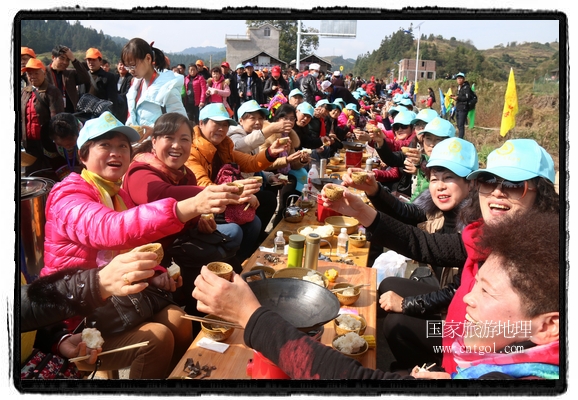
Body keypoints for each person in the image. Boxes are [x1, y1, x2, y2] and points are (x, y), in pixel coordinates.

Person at [192, 205, 559, 380]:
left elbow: (357, 381)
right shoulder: (488, 247)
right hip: (454, 348)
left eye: (487, 291)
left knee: (396, 321)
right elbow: (422, 244)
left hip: (448, 337)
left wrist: (251, 317)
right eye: (490, 186)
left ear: (549, 326)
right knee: (389, 293)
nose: (468, 297)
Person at [322, 138, 559, 374]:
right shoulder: (480, 236)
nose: (497, 192)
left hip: (462, 341)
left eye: (514, 184)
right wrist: (362, 211)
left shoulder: (541, 263)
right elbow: (423, 243)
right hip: (459, 335)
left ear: (543, 196)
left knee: (397, 325)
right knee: (390, 287)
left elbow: (508, 349)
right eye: (489, 181)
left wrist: (408, 306)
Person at [40, 111, 244, 378]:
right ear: (83, 155)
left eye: (122, 146)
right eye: (105, 145)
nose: (116, 153)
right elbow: (111, 229)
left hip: (115, 302)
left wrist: (156, 274)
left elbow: (133, 247)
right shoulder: (67, 194)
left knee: (179, 320)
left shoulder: (117, 193)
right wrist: (189, 206)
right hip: (76, 317)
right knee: (156, 339)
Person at [123, 112, 255, 318]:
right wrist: (218, 191)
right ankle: (203, 322)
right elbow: (159, 196)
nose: (177, 145)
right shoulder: (140, 172)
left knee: (230, 257)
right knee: (209, 265)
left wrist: (201, 221)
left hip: (181, 246)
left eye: (184, 139)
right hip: (152, 255)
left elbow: (189, 214)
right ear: (154, 141)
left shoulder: (186, 174)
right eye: (169, 138)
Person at [185, 103, 288, 259]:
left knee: (255, 222)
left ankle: (242, 261)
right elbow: (204, 186)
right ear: (201, 123)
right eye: (217, 123)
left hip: (222, 201)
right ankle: (224, 264)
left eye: (225, 125)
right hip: (203, 209)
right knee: (234, 230)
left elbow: (250, 162)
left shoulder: (224, 147)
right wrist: (240, 195)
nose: (221, 129)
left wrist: (270, 153)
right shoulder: (192, 151)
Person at [121, 38, 187, 141]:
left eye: (133, 65)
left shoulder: (167, 87)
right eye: (127, 67)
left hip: (158, 146)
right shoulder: (136, 86)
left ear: (148, 58)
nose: (130, 71)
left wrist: (154, 130)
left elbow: (180, 122)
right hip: (138, 146)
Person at [21, 58, 65, 175]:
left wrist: (56, 140)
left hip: (47, 143)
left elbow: (57, 119)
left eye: (36, 73)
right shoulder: (25, 92)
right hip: (29, 144)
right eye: (29, 74)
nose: (32, 76)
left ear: (44, 73)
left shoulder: (52, 91)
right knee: (32, 173)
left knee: (49, 172)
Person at [44, 45, 91, 113]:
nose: (65, 62)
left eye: (68, 60)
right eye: (62, 58)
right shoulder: (44, 73)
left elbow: (85, 78)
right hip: (51, 113)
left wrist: (74, 60)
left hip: (70, 113)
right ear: (53, 57)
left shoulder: (70, 74)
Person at [84, 48, 122, 120]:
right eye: (89, 60)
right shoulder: (84, 76)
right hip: (86, 114)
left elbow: (112, 99)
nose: (91, 62)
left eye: (94, 60)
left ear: (100, 61)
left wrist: (110, 116)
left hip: (102, 115)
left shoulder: (108, 77)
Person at [46, 112, 83, 181]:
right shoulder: (47, 138)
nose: (67, 147)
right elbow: (55, 161)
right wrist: (67, 178)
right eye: (60, 145)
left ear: (78, 132)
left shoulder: (91, 135)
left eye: (70, 144)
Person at [451, 72, 474, 139]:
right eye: (458, 78)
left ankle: (460, 139)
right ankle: (460, 137)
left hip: (463, 108)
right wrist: (455, 97)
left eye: (460, 78)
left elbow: (467, 97)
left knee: (461, 125)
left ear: (463, 79)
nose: (459, 80)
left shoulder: (466, 87)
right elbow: (461, 96)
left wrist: (458, 98)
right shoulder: (459, 87)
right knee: (458, 124)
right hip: (458, 107)